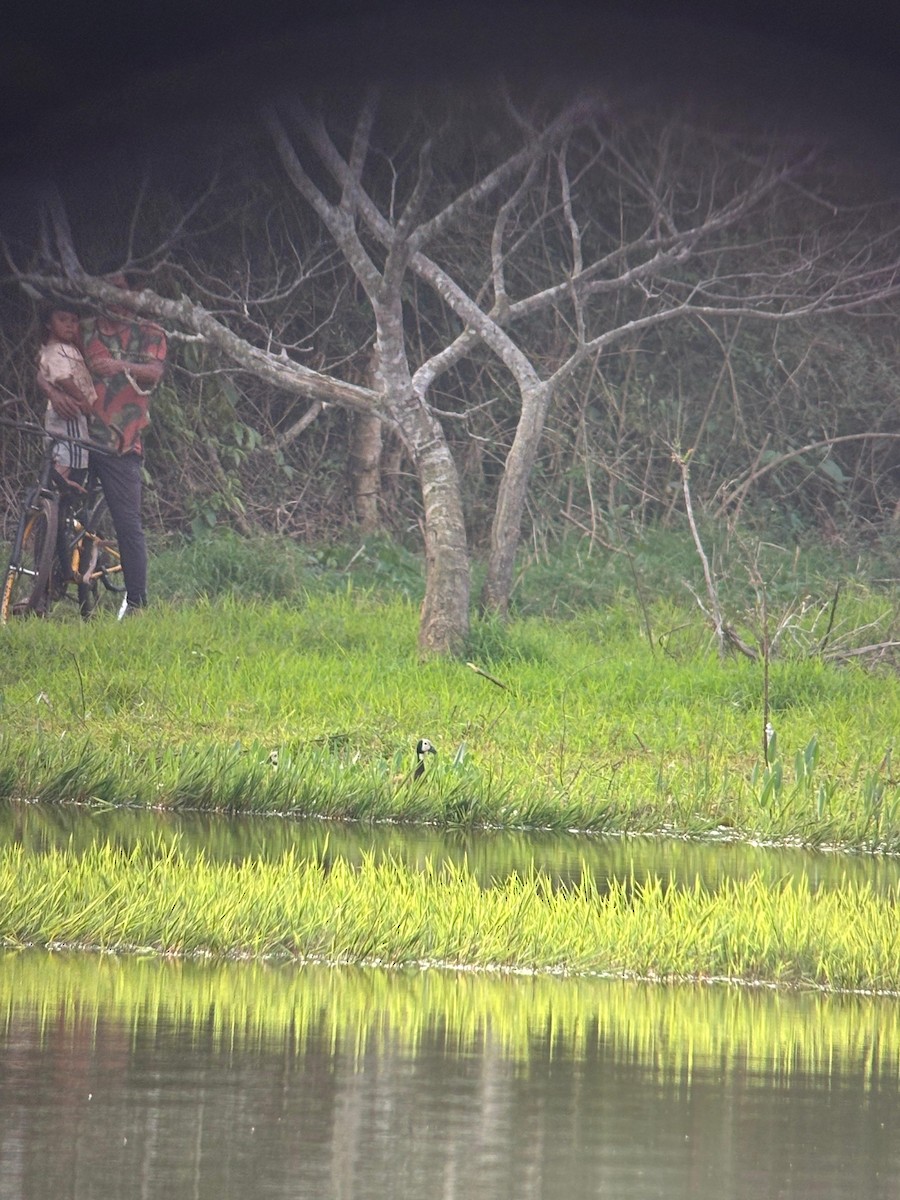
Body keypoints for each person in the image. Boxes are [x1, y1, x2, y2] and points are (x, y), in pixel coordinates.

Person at [39, 275, 167, 617]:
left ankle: (137, 602)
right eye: (106, 289)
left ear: (135, 294)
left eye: (120, 290)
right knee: (54, 507)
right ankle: (43, 590)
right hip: (77, 434)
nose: (113, 298)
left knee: (127, 522)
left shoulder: (150, 331)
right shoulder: (85, 328)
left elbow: (154, 372)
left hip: (120, 442)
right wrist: (52, 393)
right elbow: (48, 361)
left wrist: (119, 366)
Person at [36, 302, 97, 488]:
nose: (69, 325)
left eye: (73, 321)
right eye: (62, 320)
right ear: (48, 324)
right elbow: (63, 379)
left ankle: (57, 487)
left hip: (70, 413)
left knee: (63, 449)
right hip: (70, 412)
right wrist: (82, 399)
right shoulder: (56, 350)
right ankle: (62, 484)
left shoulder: (65, 347)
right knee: (70, 449)